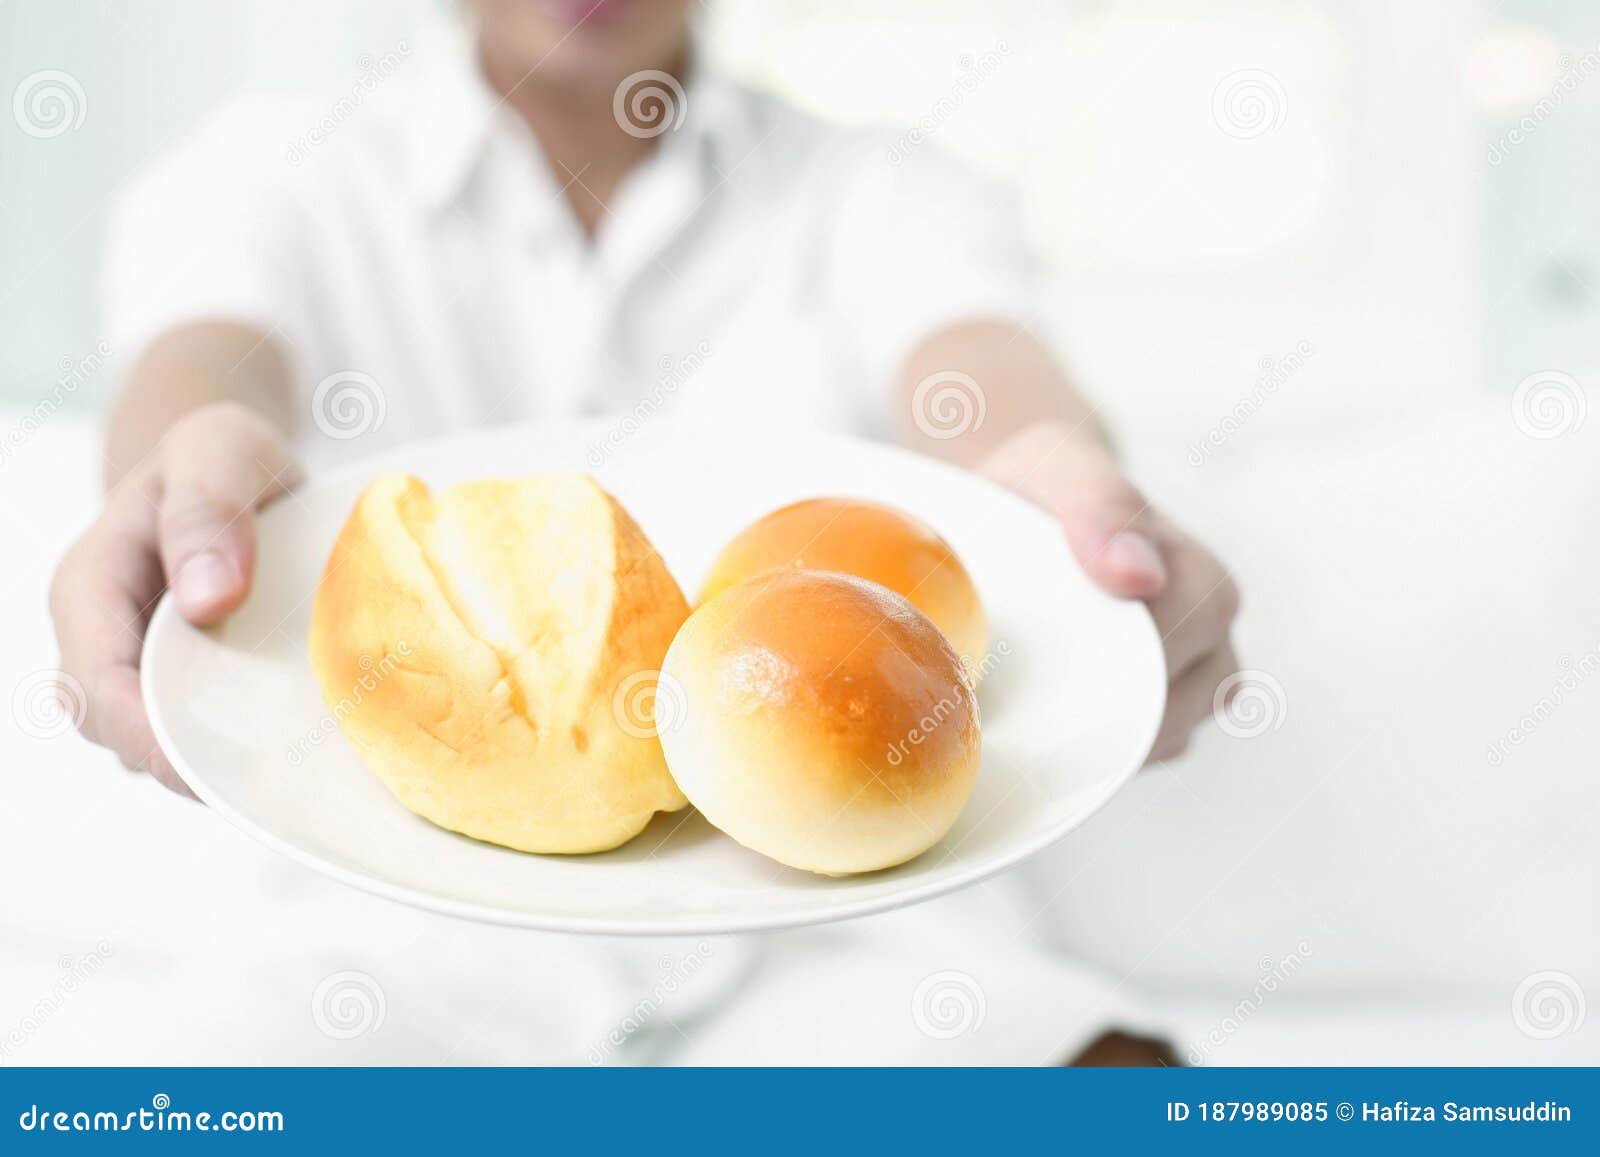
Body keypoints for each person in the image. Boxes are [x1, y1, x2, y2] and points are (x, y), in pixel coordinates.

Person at [49, 0, 1238, 1064]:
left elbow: (981, 365)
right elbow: (203, 362)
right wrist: (178, 467)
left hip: (856, 946)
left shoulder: (881, 187)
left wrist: (1056, 482)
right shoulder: (274, 170)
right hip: (382, 949)